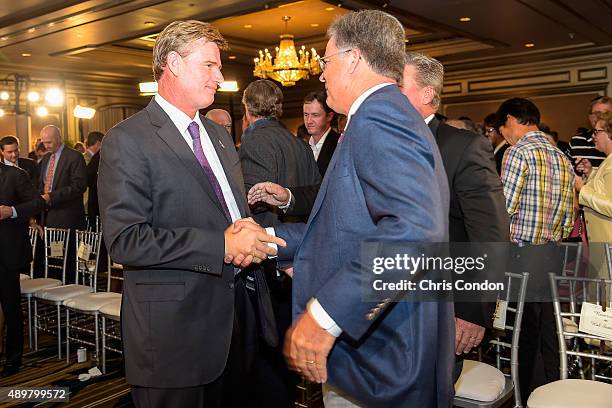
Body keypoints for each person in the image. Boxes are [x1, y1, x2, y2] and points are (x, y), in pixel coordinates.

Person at [242, 10, 454, 407]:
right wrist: (268, 238)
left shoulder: (381, 116)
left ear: (353, 58)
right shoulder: (377, 116)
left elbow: (412, 233)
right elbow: (344, 227)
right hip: (375, 350)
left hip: (384, 357)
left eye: (326, 61)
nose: (321, 76)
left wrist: (324, 317)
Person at [97, 20, 284, 408]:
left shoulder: (218, 136)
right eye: (209, 66)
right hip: (174, 333)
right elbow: (126, 240)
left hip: (240, 317)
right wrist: (221, 244)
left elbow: (232, 214)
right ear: (174, 64)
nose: (219, 77)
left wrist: (259, 241)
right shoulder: (127, 139)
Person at [401, 52, 510, 382]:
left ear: (427, 94)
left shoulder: (463, 146)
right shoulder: (379, 142)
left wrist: (471, 310)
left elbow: (490, 234)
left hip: (439, 307)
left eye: (397, 85)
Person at [238, 79, 321, 406]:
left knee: (266, 356)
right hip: (298, 257)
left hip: (273, 262)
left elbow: (254, 209)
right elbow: (315, 202)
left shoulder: (254, 142)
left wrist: (282, 257)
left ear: (247, 108)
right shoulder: (299, 144)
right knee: (283, 351)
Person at [496, 97, 575, 402]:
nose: (505, 135)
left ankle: (525, 394)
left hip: (523, 254)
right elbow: (570, 218)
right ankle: (554, 393)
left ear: (513, 120)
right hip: (553, 253)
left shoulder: (519, 152)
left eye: (504, 128)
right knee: (549, 329)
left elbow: (505, 207)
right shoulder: (561, 156)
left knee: (523, 331)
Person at [0, 162, 45, 376]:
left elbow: (38, 203)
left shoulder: (15, 175)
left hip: (6, 255)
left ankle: (13, 358)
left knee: (11, 308)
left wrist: (13, 211)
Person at [575, 111, 612, 277]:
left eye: (597, 131)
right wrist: (591, 173)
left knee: (604, 300)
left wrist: (582, 188)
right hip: (603, 247)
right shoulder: (608, 160)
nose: (593, 136)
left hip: (608, 249)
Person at [303, 90, 340, 176]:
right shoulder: (300, 146)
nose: (309, 121)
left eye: (315, 115)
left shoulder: (339, 144)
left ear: (329, 116)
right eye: (306, 115)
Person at [570, 96, 611, 171]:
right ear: (589, 117)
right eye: (596, 113)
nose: (599, 117)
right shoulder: (577, 141)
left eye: (605, 114)